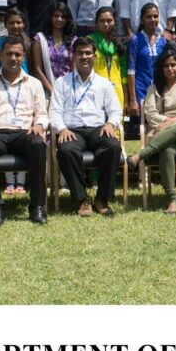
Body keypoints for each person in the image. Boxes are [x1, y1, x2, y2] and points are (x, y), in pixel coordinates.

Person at [0, 36, 50, 227]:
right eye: (9, 54)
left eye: (17, 54)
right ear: (1, 56)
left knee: (38, 144)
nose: (13, 58)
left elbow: (42, 114)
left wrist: (39, 125)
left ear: (24, 57)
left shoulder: (34, 84)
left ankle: (37, 206)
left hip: (24, 133)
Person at [51, 37, 123, 217]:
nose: (84, 57)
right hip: (72, 130)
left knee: (113, 147)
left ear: (94, 56)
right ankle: (81, 199)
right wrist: (62, 129)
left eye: (88, 53)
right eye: (80, 53)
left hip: (98, 129)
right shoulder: (62, 82)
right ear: (74, 56)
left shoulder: (103, 83)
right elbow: (55, 111)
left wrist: (110, 123)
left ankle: (102, 199)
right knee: (66, 151)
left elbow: (115, 110)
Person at [128, 50, 176, 214]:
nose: (170, 69)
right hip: (161, 134)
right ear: (161, 69)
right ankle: (172, 200)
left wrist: (172, 121)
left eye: (173, 65)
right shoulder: (153, 88)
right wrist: (172, 121)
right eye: (166, 66)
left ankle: (141, 155)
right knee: (167, 150)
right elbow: (150, 114)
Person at [0, 9, 31, 197]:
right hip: (3, 89)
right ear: (5, 24)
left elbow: (32, 69)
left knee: (23, 130)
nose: (15, 26)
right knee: (5, 127)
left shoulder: (28, 43)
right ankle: (9, 182)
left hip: (24, 88)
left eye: (19, 22)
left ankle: (21, 182)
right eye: (12, 22)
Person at [126, 3, 168, 128]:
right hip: (141, 90)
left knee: (161, 125)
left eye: (155, 16)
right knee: (144, 126)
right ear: (142, 19)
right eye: (148, 17)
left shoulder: (163, 41)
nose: (153, 19)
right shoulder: (135, 40)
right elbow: (131, 71)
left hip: (160, 89)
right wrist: (133, 100)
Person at [31, 2, 76, 96]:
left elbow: (74, 70)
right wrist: (52, 91)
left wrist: (66, 91)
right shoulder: (40, 39)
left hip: (68, 89)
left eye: (63, 17)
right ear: (50, 18)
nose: (59, 19)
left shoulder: (73, 41)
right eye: (56, 16)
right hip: (46, 90)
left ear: (67, 19)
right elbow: (37, 69)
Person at [88, 7, 127, 108]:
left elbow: (124, 74)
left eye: (109, 20)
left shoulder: (120, 43)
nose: (105, 24)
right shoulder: (89, 41)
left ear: (115, 21)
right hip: (95, 91)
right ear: (96, 23)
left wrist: (127, 100)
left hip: (117, 91)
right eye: (102, 21)